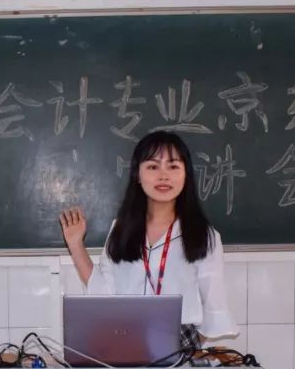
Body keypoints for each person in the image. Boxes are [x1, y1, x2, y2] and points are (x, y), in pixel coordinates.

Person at [60, 130, 237, 346]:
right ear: (137, 174)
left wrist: (188, 349)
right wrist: (76, 244)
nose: (163, 176)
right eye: (153, 167)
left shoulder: (204, 235)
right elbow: (104, 293)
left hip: (180, 339)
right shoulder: (121, 229)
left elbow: (214, 303)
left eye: (173, 166)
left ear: (186, 174)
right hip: (124, 336)